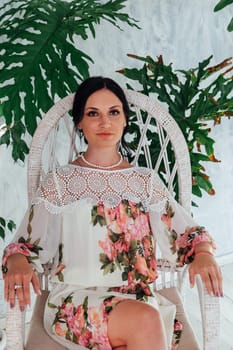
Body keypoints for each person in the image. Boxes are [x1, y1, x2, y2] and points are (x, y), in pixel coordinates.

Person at [2, 76, 223, 350]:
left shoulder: (144, 181)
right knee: (145, 322)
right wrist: (18, 262)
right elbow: (24, 245)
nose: (105, 122)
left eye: (113, 112)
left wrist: (202, 252)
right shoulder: (60, 182)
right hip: (76, 304)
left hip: (138, 299)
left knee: (145, 319)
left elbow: (184, 231)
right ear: (79, 122)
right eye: (93, 113)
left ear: (125, 119)